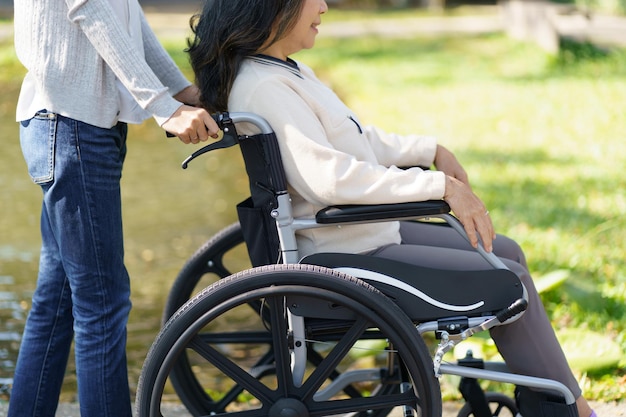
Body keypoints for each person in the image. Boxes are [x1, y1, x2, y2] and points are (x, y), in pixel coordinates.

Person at [187, 1, 597, 416]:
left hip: (358, 235)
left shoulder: (282, 71)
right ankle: (571, 408)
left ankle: (551, 400)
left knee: (505, 252)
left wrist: (429, 150)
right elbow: (331, 179)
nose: (325, 6)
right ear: (274, 8)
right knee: (508, 278)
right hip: (342, 252)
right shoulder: (265, 86)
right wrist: (440, 187)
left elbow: (358, 142)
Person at [8, 0, 220, 416]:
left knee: (60, 299)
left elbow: (125, 15)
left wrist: (180, 92)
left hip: (75, 125)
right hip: (72, 127)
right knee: (101, 303)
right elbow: (90, 9)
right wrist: (165, 107)